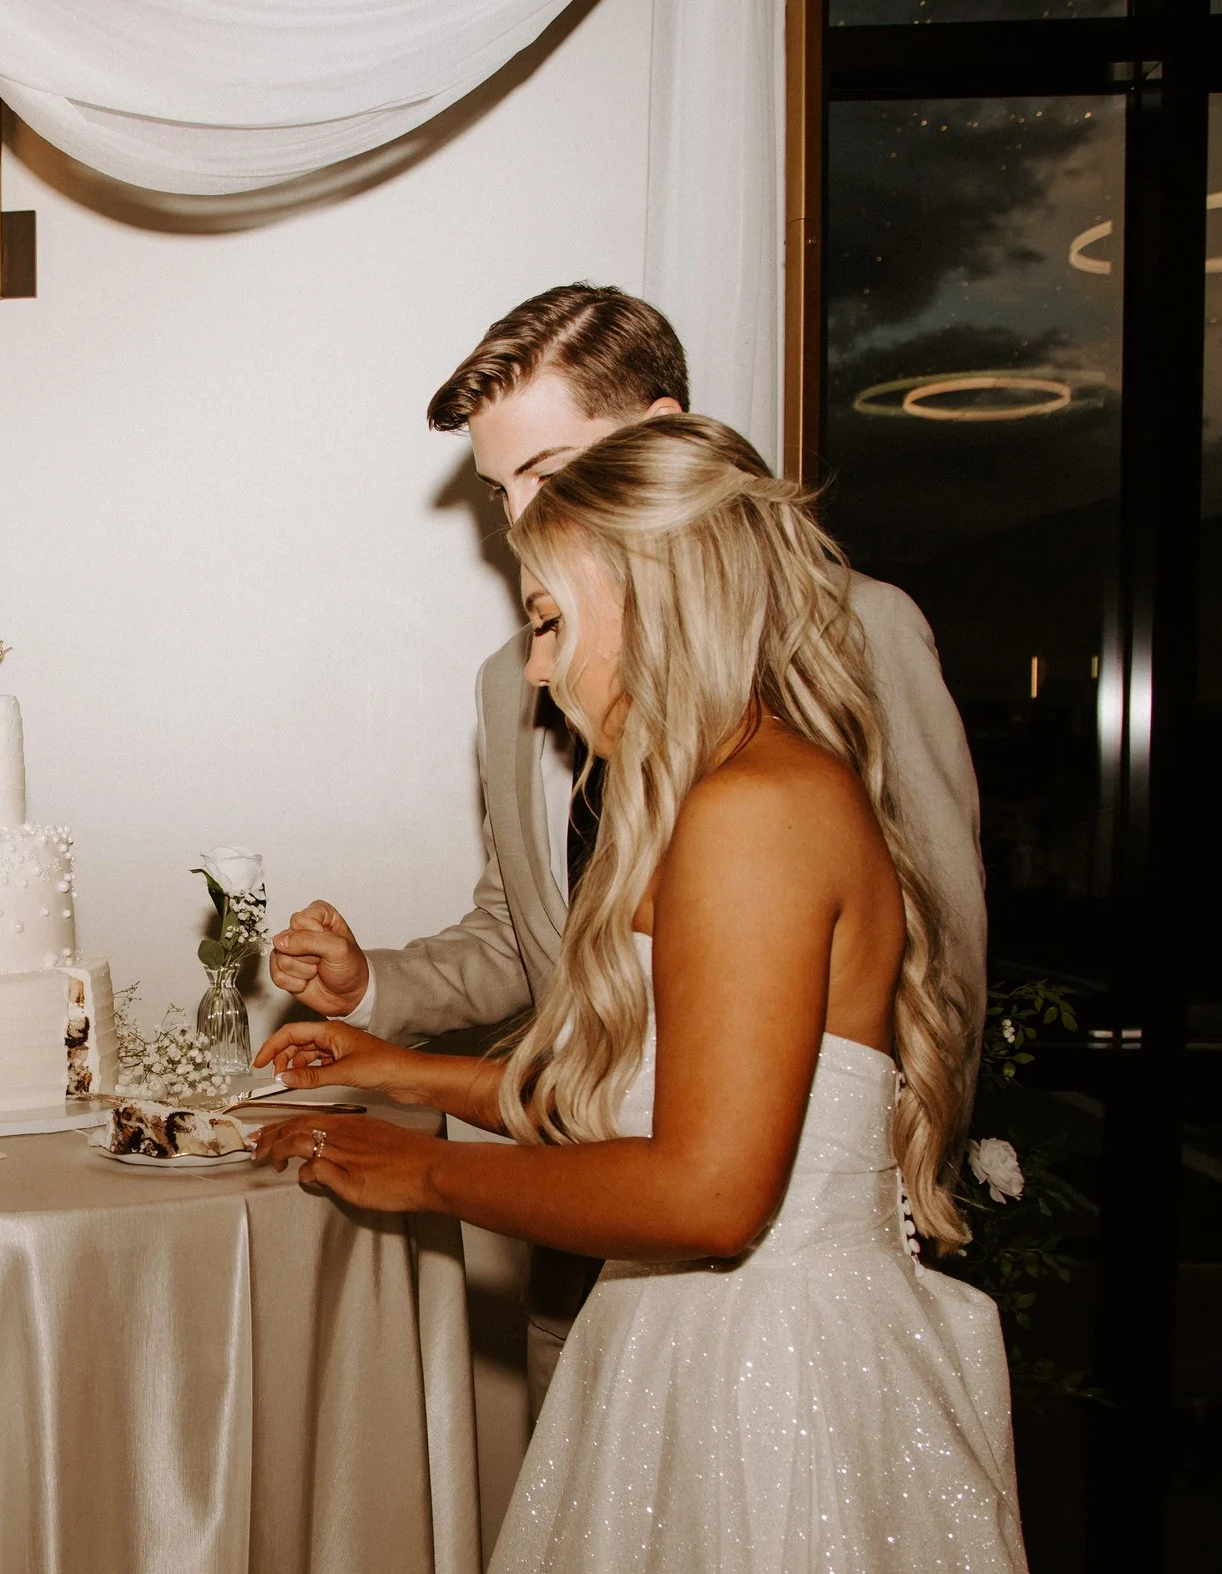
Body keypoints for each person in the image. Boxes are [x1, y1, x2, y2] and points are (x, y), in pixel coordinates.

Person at [248, 415, 1082, 1574]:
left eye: (552, 617)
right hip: (696, 1355)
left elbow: (705, 1190)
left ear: (661, 596)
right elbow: (637, 1096)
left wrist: (432, 1176)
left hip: (770, 1390)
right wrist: (402, 1069)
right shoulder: (719, 792)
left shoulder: (755, 812)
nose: (537, 662)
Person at [269, 285, 984, 1416]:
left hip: (784, 1283)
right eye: (501, 492)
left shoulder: (855, 642)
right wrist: (378, 997)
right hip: (589, 1245)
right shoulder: (517, 682)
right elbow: (531, 938)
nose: (518, 521)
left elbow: (933, 960)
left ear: (660, 437)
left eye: (546, 475)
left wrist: (872, 1205)